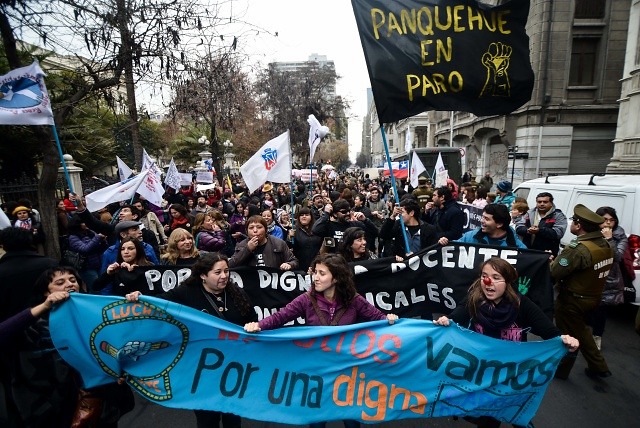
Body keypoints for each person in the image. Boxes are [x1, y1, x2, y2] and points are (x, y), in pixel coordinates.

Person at [434, 257, 579, 428]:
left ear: (508, 281)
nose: (488, 282)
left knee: (516, 414)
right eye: (484, 276)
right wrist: (445, 320)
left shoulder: (522, 305)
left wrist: (567, 341)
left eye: (496, 277)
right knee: (488, 417)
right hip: (486, 371)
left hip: (513, 373)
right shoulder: (473, 299)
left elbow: (552, 334)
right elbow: (454, 319)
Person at [126, 253, 256, 428]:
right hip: (202, 368)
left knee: (232, 416)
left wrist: (253, 327)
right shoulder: (187, 292)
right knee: (207, 419)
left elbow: (252, 320)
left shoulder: (236, 293)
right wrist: (140, 297)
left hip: (232, 366)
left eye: (226, 271)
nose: (224, 276)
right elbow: (159, 302)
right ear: (203, 275)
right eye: (217, 272)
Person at [551, 204, 614, 380]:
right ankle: (599, 366)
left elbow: (555, 272)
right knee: (582, 331)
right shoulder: (604, 244)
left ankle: (561, 371)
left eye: (573, 221)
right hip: (593, 297)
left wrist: (552, 261)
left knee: (567, 336)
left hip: (572, 300)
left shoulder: (578, 249)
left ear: (578, 226)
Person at [588, 206, 628, 350]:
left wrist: (609, 239)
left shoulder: (620, 236)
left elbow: (617, 256)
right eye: (604, 220)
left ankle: (597, 336)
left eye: (611, 220)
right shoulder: (590, 232)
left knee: (601, 309)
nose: (608, 223)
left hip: (608, 277)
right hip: (589, 275)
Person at [0, 227, 58, 322]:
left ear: (3, 245)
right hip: (50, 321)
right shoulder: (50, 264)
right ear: (30, 241)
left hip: (12, 327)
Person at [230, 215, 298, 270]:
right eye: (251, 228)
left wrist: (289, 264)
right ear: (247, 231)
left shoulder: (278, 243)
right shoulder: (242, 245)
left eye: (259, 227)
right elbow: (231, 264)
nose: (255, 230)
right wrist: (247, 249)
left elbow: (294, 261)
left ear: (266, 230)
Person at [450, 204, 527, 248]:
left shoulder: (517, 247)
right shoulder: (470, 237)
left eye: (487, 219)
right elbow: (453, 247)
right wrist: (444, 243)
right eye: (482, 217)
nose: (481, 221)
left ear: (499, 224)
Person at [515, 192, 568, 257]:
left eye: (545, 202)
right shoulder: (529, 213)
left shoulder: (558, 216)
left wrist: (539, 231)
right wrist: (528, 230)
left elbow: (558, 233)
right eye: (539, 202)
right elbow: (518, 227)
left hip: (547, 254)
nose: (542, 204)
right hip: (527, 251)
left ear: (551, 203)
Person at [67, 214, 108, 292]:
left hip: (98, 264)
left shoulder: (90, 232)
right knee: (95, 289)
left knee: (102, 286)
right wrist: (97, 238)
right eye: (84, 222)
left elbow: (102, 248)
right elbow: (85, 249)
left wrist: (103, 241)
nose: (87, 224)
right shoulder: (73, 237)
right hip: (86, 268)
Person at [290, 207, 323, 272]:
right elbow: (290, 246)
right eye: (301, 215)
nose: (304, 217)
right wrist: (290, 238)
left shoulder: (317, 230)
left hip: (316, 263)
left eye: (307, 215)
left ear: (311, 217)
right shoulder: (294, 230)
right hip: (300, 265)